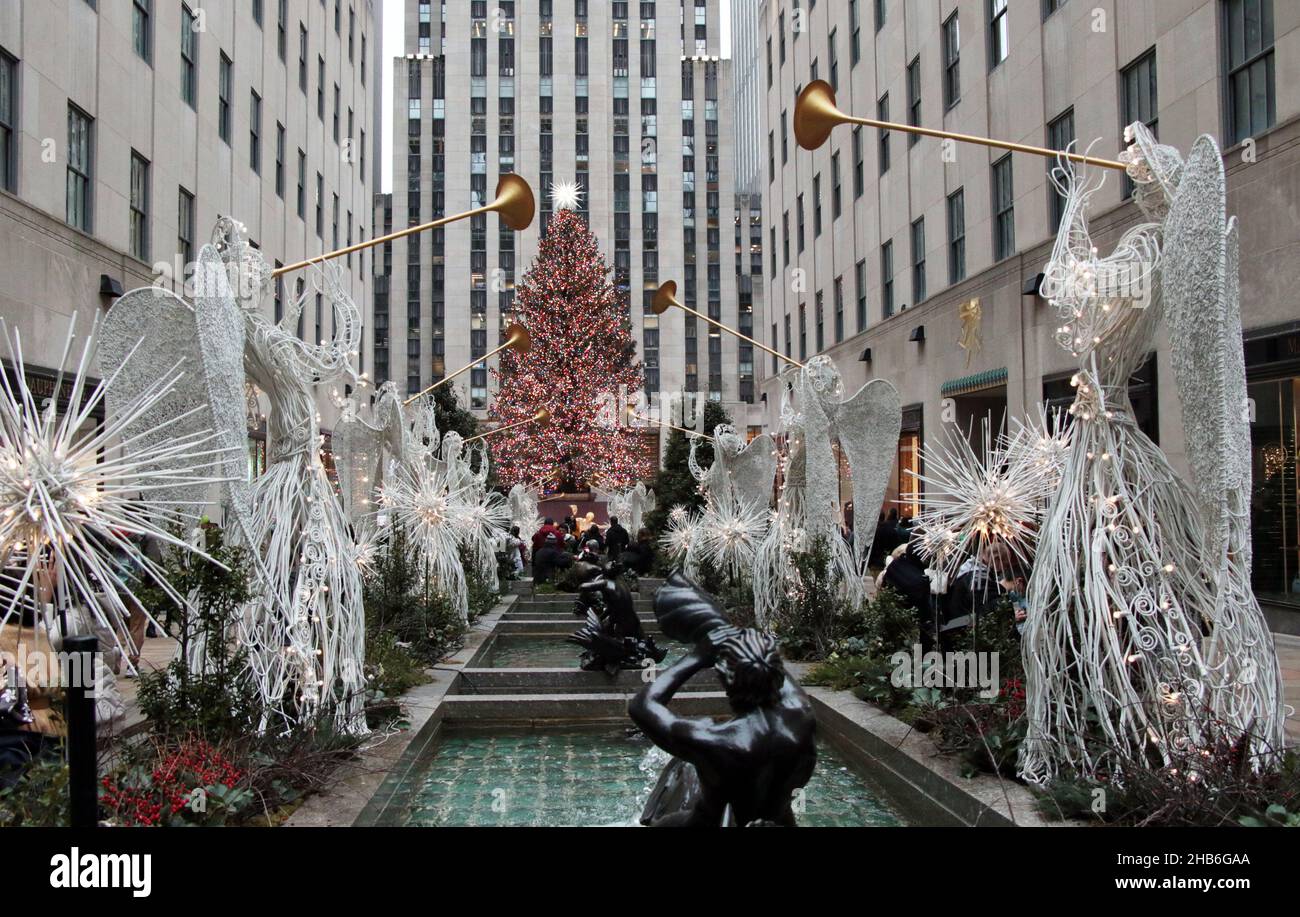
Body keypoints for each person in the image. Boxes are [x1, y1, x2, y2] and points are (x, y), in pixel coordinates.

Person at [631, 573, 816, 826]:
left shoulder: (714, 740)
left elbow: (642, 706)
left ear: (723, 676)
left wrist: (697, 657)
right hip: (778, 819)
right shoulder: (803, 716)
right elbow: (773, 672)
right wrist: (734, 637)